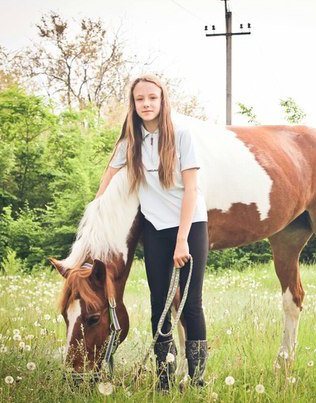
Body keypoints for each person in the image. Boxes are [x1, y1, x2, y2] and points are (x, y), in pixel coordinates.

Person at [96, 75, 209, 391]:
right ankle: (165, 378)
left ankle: (197, 380)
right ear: (133, 104)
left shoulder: (181, 137)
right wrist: (94, 214)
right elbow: (107, 178)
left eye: (152, 98)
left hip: (190, 227)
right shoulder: (129, 142)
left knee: (189, 304)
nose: (146, 104)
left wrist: (183, 239)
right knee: (159, 304)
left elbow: (191, 190)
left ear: (162, 101)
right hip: (155, 229)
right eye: (139, 99)